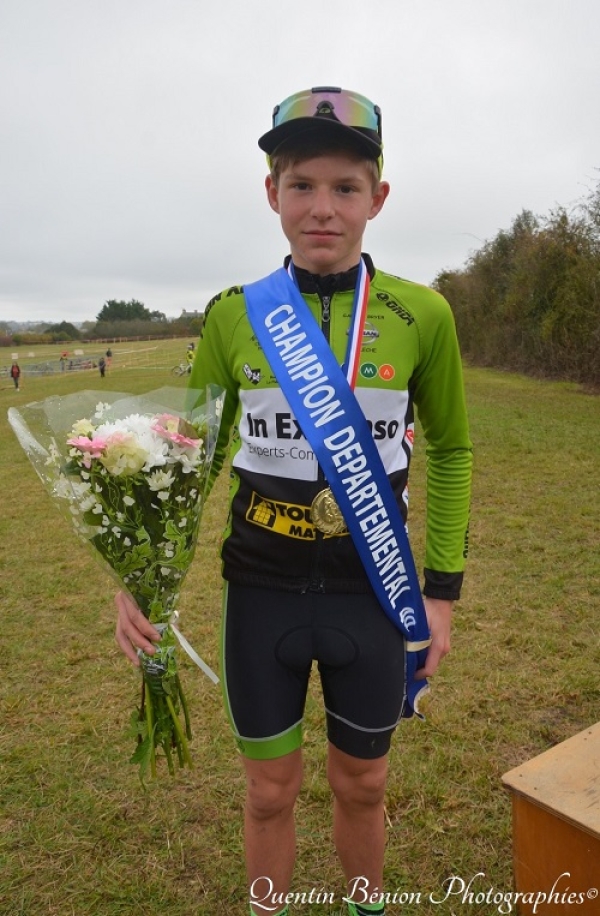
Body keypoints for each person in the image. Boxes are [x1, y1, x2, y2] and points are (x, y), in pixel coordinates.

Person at [115, 86, 472, 916]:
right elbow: (189, 460)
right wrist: (141, 578)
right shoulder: (234, 316)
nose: (322, 208)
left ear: (378, 198)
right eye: (301, 184)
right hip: (263, 593)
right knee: (268, 793)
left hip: (371, 590)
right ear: (271, 192)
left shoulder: (423, 314)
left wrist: (441, 592)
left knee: (365, 783)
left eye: (345, 188)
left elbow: (451, 449)